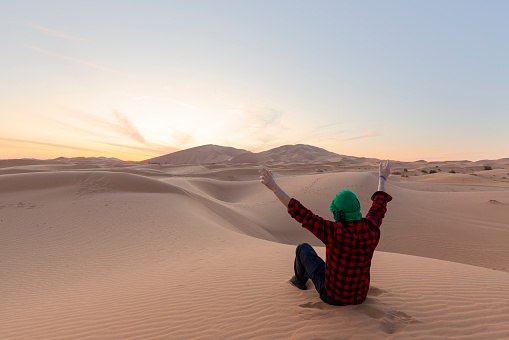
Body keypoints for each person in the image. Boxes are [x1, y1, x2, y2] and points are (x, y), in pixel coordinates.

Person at [258, 160, 392, 306]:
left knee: (303, 249)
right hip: (360, 296)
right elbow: (379, 203)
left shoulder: (335, 232)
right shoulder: (371, 228)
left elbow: (302, 214)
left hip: (333, 296)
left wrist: (274, 188)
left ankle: (299, 281)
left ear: (339, 214)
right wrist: (382, 178)